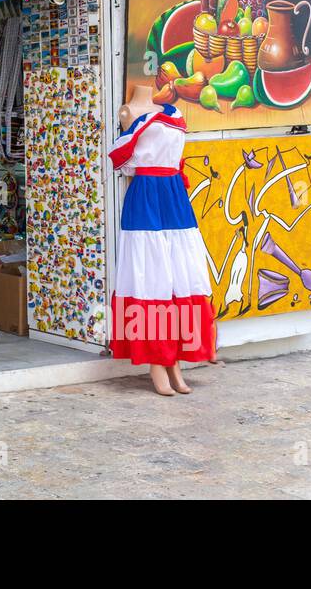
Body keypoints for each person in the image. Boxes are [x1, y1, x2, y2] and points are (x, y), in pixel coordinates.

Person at [107, 85, 217, 395]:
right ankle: (158, 363)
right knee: (152, 277)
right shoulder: (129, 112)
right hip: (146, 195)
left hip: (173, 194)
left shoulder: (174, 112)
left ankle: (174, 362)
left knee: (178, 274)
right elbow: (126, 164)